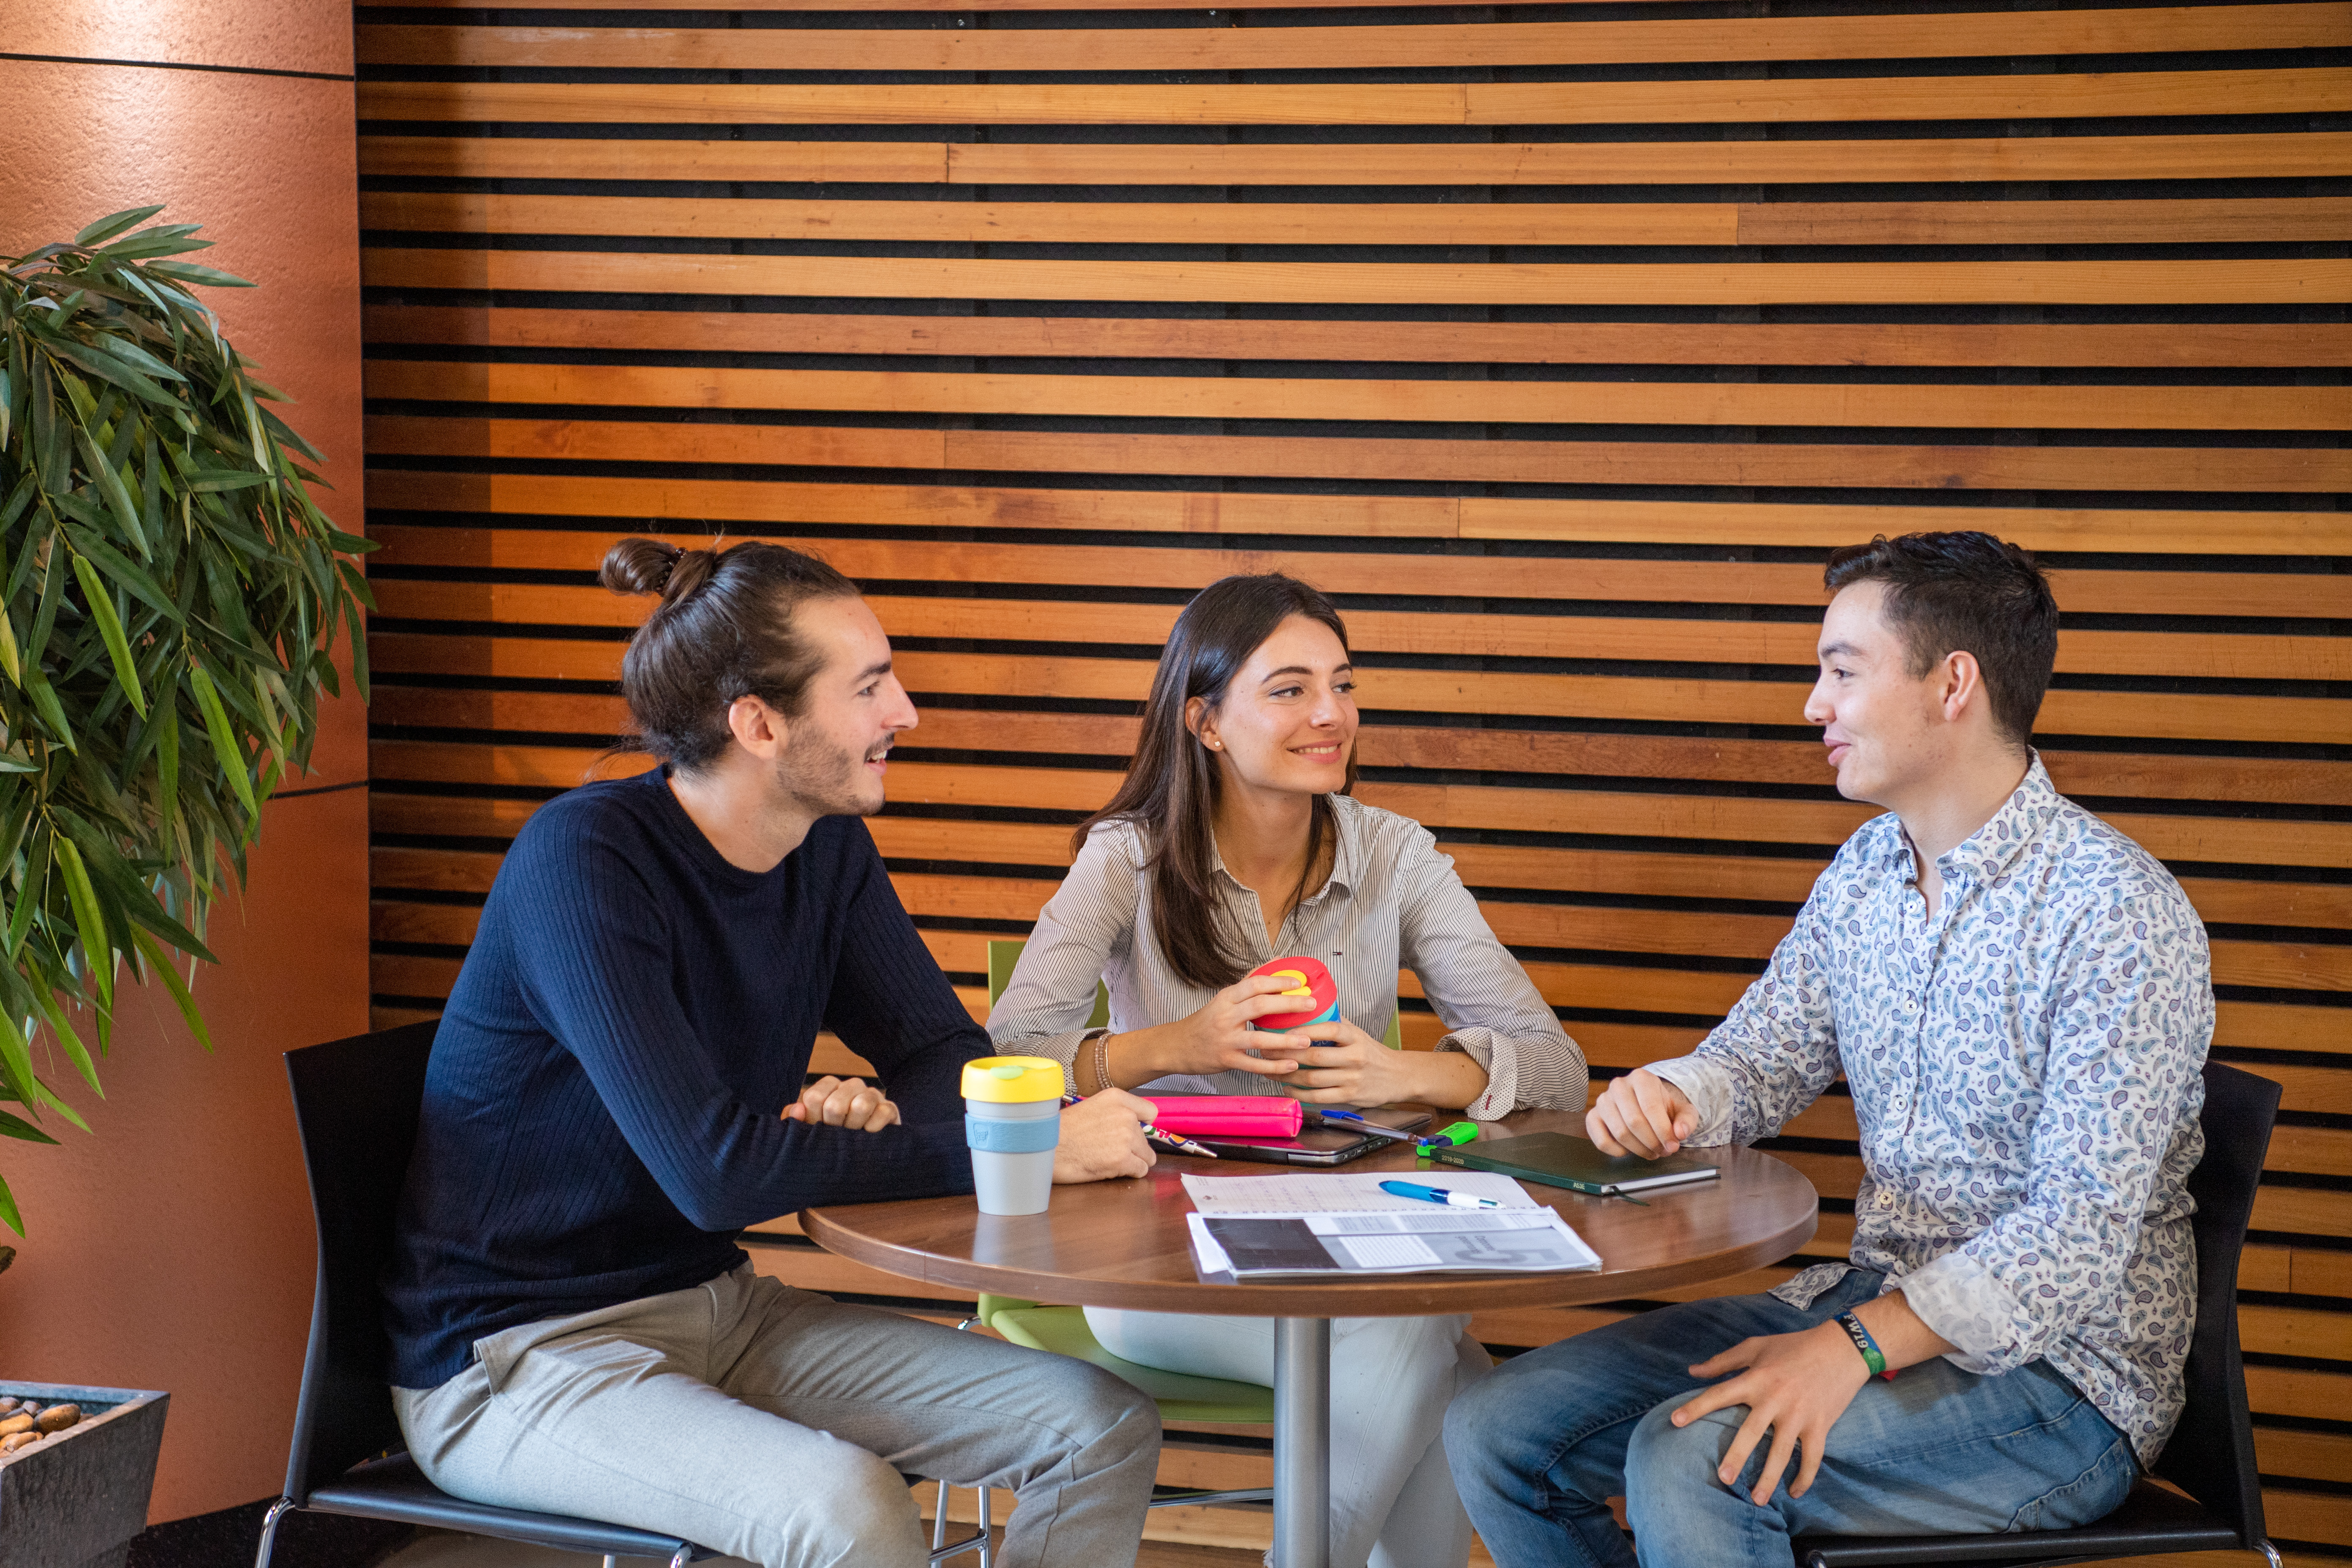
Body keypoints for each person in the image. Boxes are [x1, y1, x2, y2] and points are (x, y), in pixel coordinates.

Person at [383, 539, 1168, 1568]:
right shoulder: (584, 863)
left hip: (721, 1309)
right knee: (846, 1507)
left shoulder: (823, 847)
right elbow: (716, 1172)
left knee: (1100, 1426)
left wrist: (989, 1126)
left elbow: (934, 1046)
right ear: (758, 722)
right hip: (520, 1354)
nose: (906, 713)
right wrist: (1003, 1149)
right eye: (871, 687)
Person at [1442, 531, 2212, 1568]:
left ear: (1953, 684)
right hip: (1870, 1302)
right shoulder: (1865, 871)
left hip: (2063, 1384)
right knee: (1497, 1427)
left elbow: (2070, 1237)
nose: (1815, 704)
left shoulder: (2116, 913)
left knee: (1702, 1462)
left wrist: (1850, 1348)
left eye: (1842, 670)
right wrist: (1674, 1093)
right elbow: (1761, 1056)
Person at [988, 572, 1589, 1568]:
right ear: (1206, 720)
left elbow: (1559, 1067)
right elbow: (1007, 1056)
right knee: (1431, 1342)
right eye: (1291, 688)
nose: (1331, 714)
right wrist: (1180, 1046)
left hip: (1356, 1229)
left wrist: (1403, 1073)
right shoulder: (1126, 859)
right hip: (1156, 1253)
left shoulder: (1396, 854)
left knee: (1443, 1356)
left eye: (1344, 685)